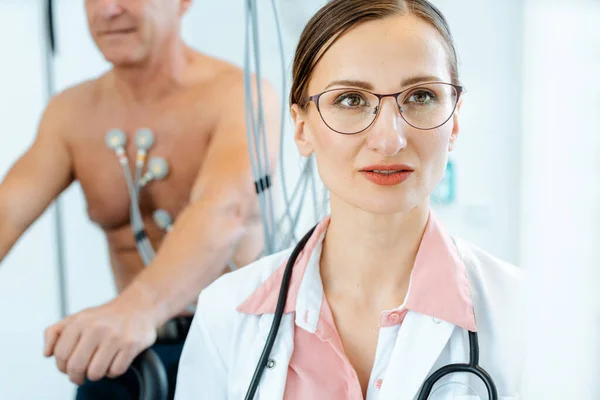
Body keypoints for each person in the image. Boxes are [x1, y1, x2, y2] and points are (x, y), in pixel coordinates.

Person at [174, 0, 526, 399]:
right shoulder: (225, 312)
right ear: (302, 128)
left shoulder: (524, 313)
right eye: (351, 100)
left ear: (455, 121)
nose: (389, 139)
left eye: (421, 96)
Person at [0, 0, 279, 398]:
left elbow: (224, 210)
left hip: (237, 348)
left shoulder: (238, 95)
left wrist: (139, 307)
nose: (109, 10)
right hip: (130, 351)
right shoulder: (72, 113)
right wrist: (130, 315)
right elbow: (7, 213)